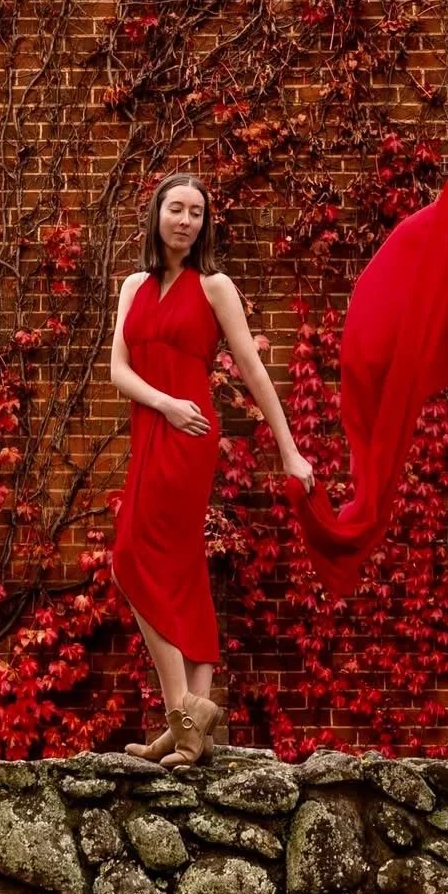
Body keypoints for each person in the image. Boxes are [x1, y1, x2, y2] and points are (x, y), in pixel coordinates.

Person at [109, 172, 316, 765]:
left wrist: (288, 448)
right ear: (157, 215)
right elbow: (117, 370)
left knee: (132, 559)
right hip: (155, 423)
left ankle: (182, 717)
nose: (186, 221)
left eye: (196, 213)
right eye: (176, 209)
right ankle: (190, 720)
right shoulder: (132, 286)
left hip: (190, 437)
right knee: (173, 568)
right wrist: (164, 402)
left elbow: (251, 368)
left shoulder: (215, 286)